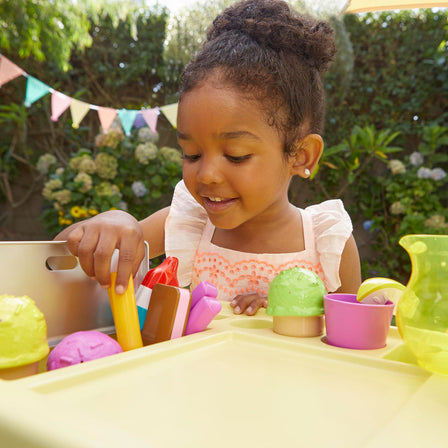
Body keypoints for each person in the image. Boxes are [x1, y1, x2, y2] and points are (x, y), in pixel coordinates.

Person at [56, 0, 361, 316]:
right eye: (192, 154)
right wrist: (110, 224)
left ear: (301, 155)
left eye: (236, 155)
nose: (207, 175)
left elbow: (349, 346)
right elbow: (57, 259)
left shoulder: (328, 243)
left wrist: (290, 313)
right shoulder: (187, 225)